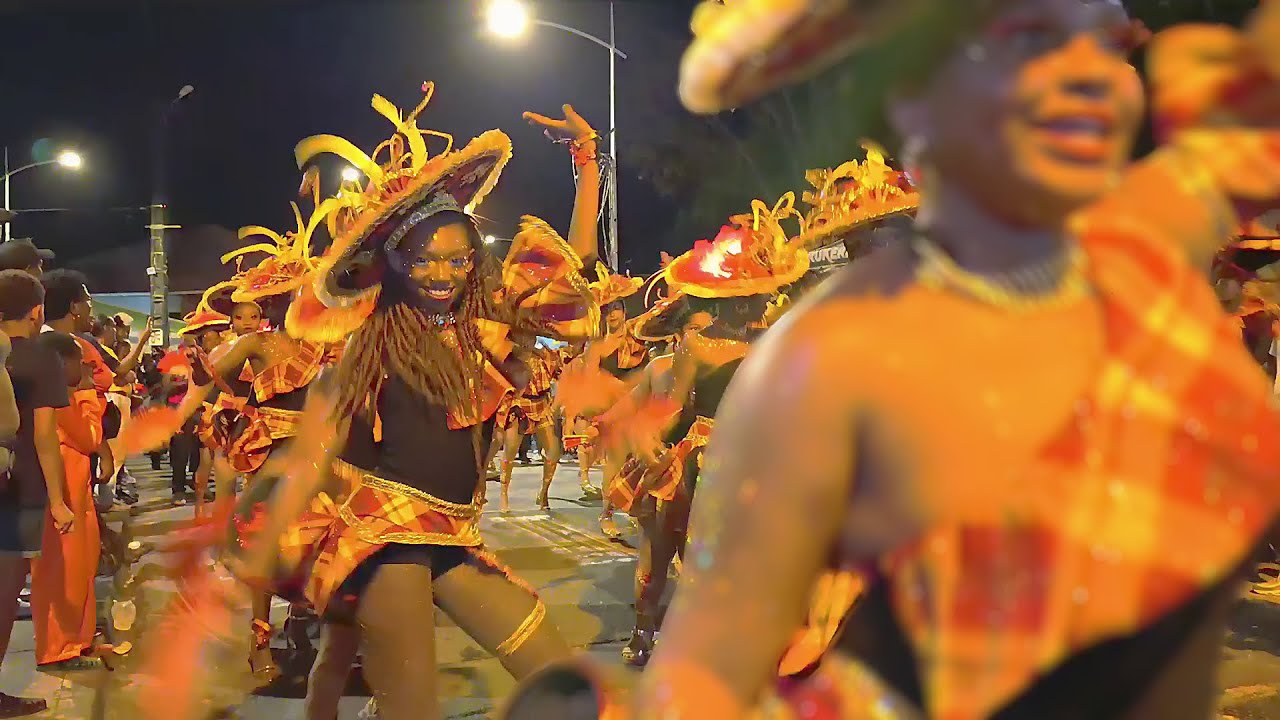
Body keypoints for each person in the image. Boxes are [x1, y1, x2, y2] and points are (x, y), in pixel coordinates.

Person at [611, 1, 1280, 718]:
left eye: (1105, 44)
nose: (1090, 75)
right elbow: (709, 667)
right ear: (917, 98)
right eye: (1030, 41)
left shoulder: (1140, 262)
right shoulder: (827, 360)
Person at [213, 86, 602, 720]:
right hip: (380, 540)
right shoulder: (365, 337)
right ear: (393, 261)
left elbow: (573, 265)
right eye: (424, 260)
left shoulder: (481, 322)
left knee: (564, 686)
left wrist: (586, 159)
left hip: (451, 534)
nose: (443, 275)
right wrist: (246, 539)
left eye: (457, 259)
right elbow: (314, 446)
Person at [0, 270, 68, 717]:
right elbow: (45, 435)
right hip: (19, 486)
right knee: (4, 594)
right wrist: (60, 500)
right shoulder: (44, 356)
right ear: (38, 311)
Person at [29, 332, 103, 671]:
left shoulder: (62, 397)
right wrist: (88, 394)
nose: (86, 367)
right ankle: (59, 648)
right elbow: (90, 437)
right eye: (80, 361)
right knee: (63, 574)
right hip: (64, 497)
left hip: (76, 496)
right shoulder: (60, 401)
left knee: (80, 568)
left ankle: (78, 641)